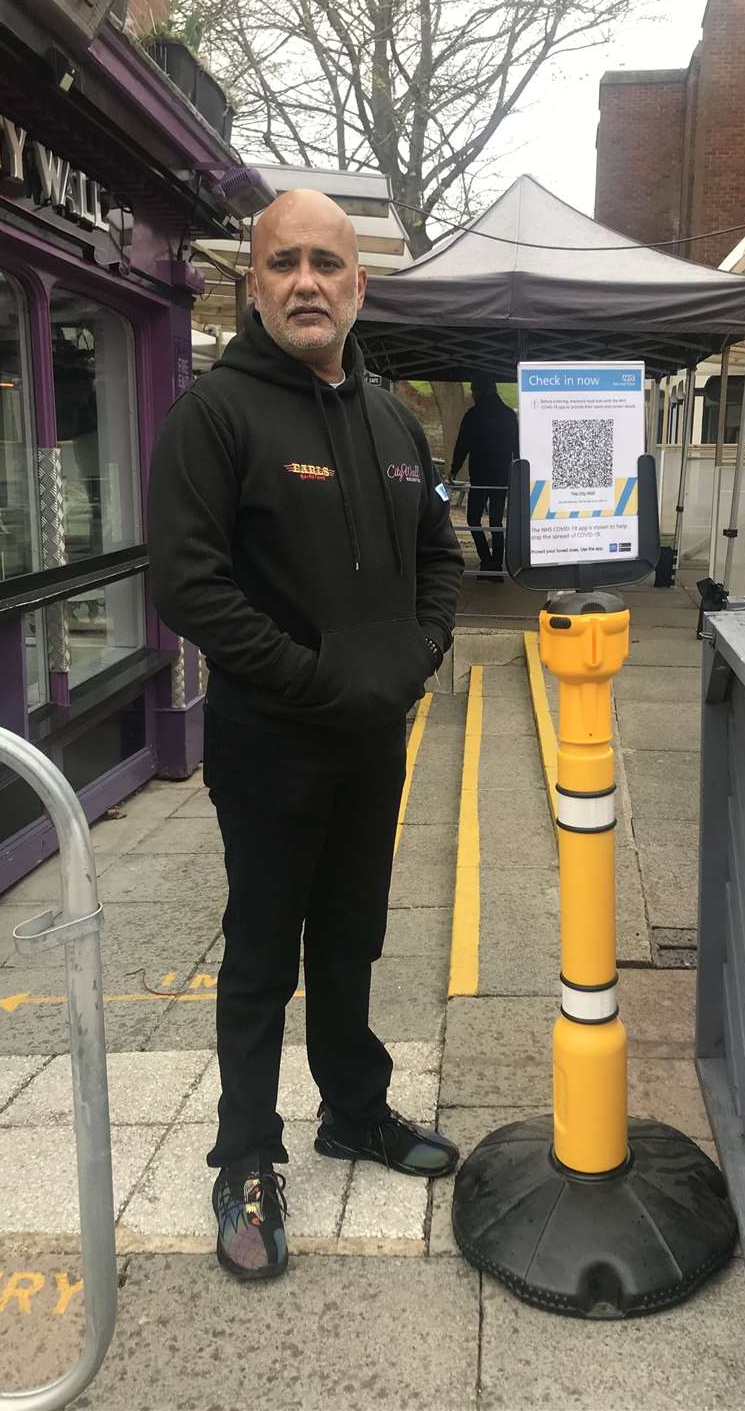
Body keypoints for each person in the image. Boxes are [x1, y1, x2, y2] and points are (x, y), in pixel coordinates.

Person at [147, 189, 464, 1283]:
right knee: (258, 957)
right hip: (272, 743)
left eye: (328, 263)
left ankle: (354, 1111)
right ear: (254, 284)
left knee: (349, 936)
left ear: (359, 284)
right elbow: (188, 585)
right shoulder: (216, 416)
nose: (306, 282)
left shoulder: (389, 420)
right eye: (284, 263)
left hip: (372, 742)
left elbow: (441, 554)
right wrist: (311, 682)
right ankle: (243, 1158)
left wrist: (416, 656)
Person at [449, 376, 518, 581]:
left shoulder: (473, 414)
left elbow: (463, 444)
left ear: (481, 391)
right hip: (501, 476)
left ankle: (486, 559)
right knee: (496, 522)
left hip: (479, 476)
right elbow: (517, 446)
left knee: (473, 519)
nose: (472, 395)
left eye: (473, 391)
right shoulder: (508, 415)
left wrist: (454, 469)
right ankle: (496, 566)